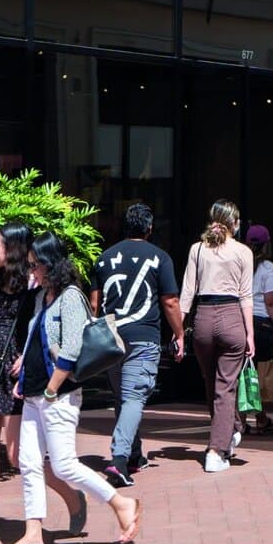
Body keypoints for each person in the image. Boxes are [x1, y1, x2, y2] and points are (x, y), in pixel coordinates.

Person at [1, 233, 140, 544]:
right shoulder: (44, 296)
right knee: (29, 462)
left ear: (52, 264)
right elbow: (35, 338)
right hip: (36, 393)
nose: (31, 270)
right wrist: (24, 375)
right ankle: (33, 533)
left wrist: (51, 388)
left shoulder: (71, 296)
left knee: (63, 465)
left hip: (57, 394)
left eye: (35, 265)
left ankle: (122, 503)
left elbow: (73, 348)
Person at [0, 223, 83, 544]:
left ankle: (73, 496)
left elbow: (40, 328)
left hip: (17, 376)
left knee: (17, 456)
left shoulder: (33, 285)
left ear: (12, 249)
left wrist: (26, 359)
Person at [88, 202, 181, 489]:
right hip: (143, 337)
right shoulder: (160, 258)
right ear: (150, 229)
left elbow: (94, 304)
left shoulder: (104, 258)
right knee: (133, 397)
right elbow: (170, 301)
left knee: (122, 397)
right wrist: (179, 334)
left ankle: (134, 455)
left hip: (111, 337)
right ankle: (118, 460)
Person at [179, 199, 256, 474]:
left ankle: (228, 432)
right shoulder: (243, 252)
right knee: (226, 387)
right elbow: (246, 296)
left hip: (203, 319)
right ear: (233, 222)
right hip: (232, 316)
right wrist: (250, 334)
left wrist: (178, 330)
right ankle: (217, 449)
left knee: (213, 384)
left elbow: (187, 291)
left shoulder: (197, 250)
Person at [242, 224, 273, 434]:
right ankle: (252, 419)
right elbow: (272, 302)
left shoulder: (239, 264)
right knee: (257, 374)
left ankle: (255, 418)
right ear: (267, 245)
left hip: (240, 322)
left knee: (243, 372)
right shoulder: (269, 269)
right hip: (261, 325)